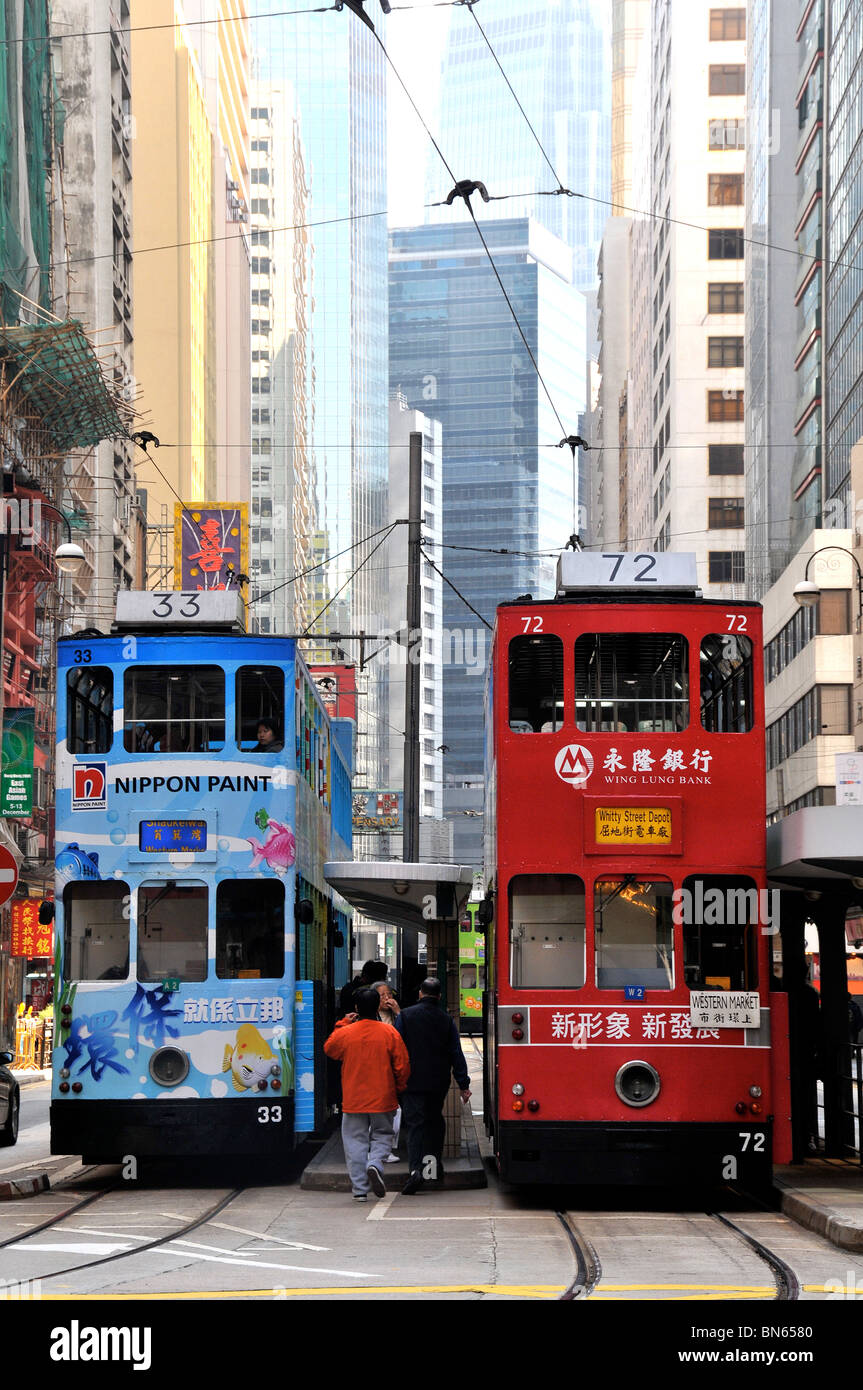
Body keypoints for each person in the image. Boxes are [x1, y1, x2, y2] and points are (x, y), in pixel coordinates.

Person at [323, 988, 410, 1201]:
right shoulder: (390, 1033)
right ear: (377, 1006)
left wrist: (343, 1023)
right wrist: (399, 1088)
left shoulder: (346, 1033)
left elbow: (329, 1049)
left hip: (353, 1098)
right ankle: (375, 1163)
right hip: (383, 1096)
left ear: (356, 1008)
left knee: (354, 1142)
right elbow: (402, 1066)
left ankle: (360, 1190)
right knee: (383, 1135)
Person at [394, 976, 471, 1194]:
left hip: (412, 1080)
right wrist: (463, 1083)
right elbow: (456, 1053)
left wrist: (394, 1077)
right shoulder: (445, 1019)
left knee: (416, 1124)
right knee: (435, 1120)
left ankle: (415, 1170)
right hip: (438, 1081)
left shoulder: (406, 1016)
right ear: (438, 996)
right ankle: (432, 1167)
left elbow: (397, 1048)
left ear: (420, 993)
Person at [373, 980, 402, 1162]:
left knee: (395, 1111)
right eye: (382, 995)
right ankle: (376, 1150)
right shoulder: (370, 1017)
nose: (387, 998)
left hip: (391, 1071)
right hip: (375, 1071)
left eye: (389, 994)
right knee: (376, 1113)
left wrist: (398, 1013)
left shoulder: (397, 1017)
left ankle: (388, 1149)